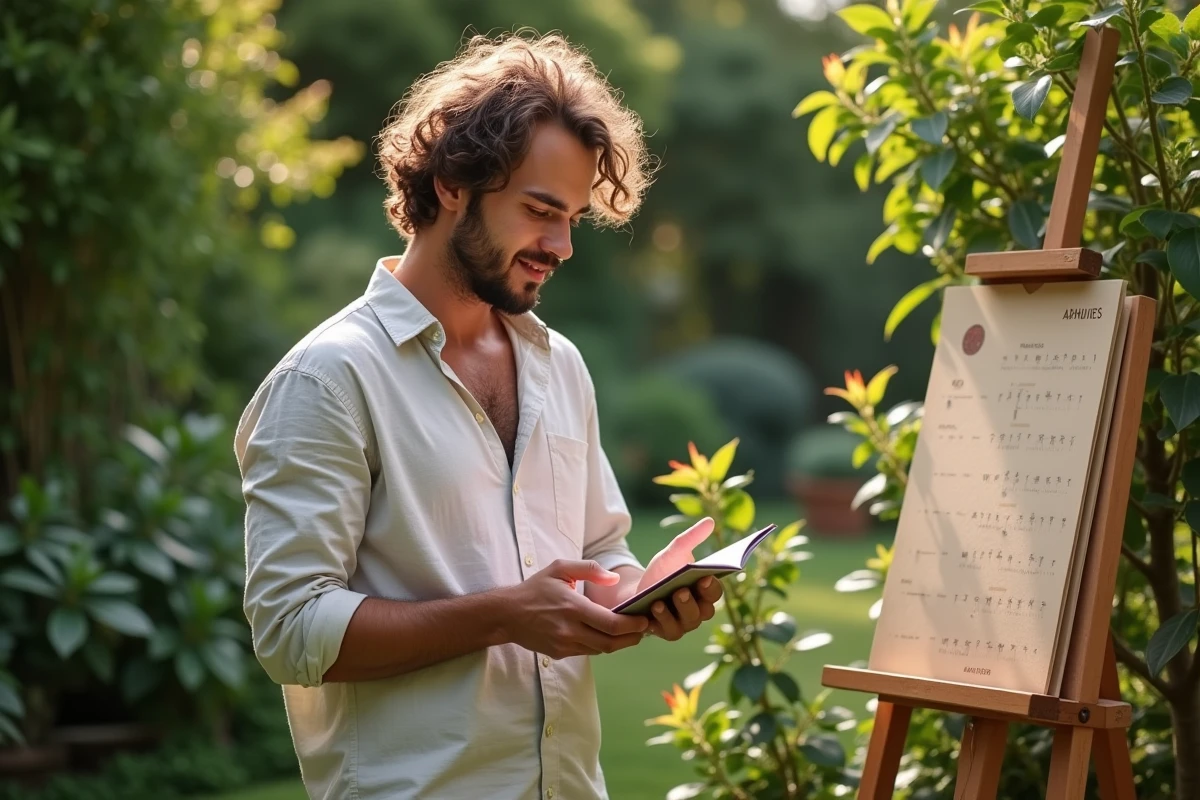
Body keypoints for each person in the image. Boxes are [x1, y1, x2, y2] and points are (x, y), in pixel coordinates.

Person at [233, 30, 724, 800]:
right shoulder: (328, 379)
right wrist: (501, 617)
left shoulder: (559, 365)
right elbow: (291, 631)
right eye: (539, 210)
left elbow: (598, 547)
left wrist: (639, 594)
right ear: (453, 184)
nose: (561, 245)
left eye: (573, 218)